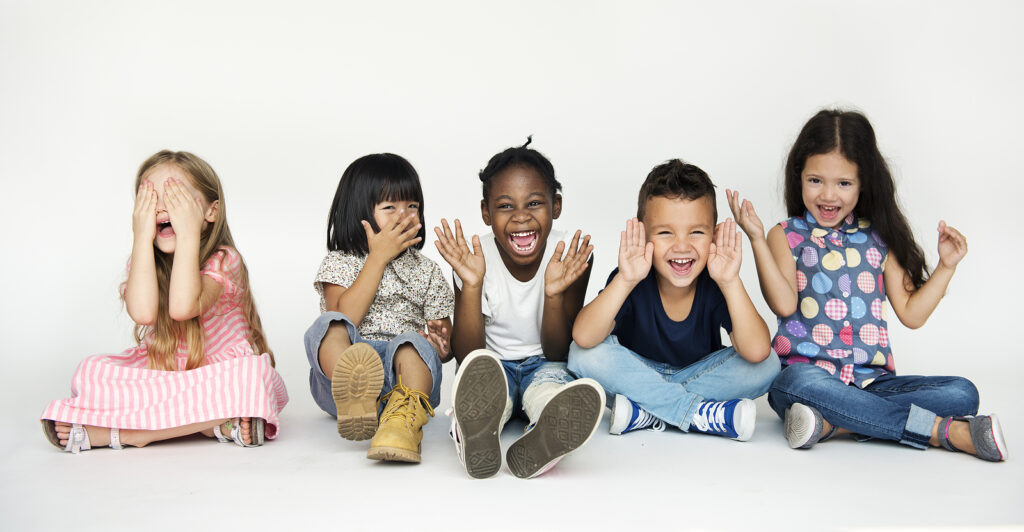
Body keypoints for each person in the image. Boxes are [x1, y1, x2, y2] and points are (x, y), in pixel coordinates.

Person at [727, 108, 1006, 461]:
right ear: (799, 177)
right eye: (816, 180)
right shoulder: (785, 236)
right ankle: (939, 431)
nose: (829, 195)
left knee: (962, 393)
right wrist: (755, 239)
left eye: (844, 183)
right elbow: (783, 304)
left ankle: (834, 425)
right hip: (804, 379)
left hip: (872, 382)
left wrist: (946, 266)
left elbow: (912, 313)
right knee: (800, 385)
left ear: (864, 183)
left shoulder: (877, 238)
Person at [41, 150, 288, 452]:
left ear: (211, 212)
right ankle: (215, 423)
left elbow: (183, 307)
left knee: (253, 376)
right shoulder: (144, 264)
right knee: (89, 370)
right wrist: (140, 237)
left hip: (217, 378)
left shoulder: (224, 259)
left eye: (175, 197)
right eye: (149, 198)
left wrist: (187, 234)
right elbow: (143, 314)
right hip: (163, 376)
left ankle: (127, 433)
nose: (159, 208)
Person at [569, 159, 778, 441]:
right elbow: (583, 337)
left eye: (696, 232)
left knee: (769, 363)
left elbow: (756, 351)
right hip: (637, 371)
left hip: (687, 377)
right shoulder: (632, 277)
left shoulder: (715, 282)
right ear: (643, 236)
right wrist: (626, 280)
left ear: (714, 235)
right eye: (666, 232)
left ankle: (646, 411)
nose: (682, 246)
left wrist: (730, 282)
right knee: (582, 354)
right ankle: (697, 413)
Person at [435, 137, 604, 479]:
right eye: (506, 206)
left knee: (550, 389)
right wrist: (471, 285)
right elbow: (467, 354)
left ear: (556, 206)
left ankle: (544, 433)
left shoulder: (569, 255)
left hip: (545, 363)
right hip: (490, 368)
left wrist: (553, 293)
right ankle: (473, 433)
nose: (522, 217)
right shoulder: (473, 259)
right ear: (486, 212)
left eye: (535, 203)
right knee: (484, 394)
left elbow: (558, 351)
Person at [303, 153, 453, 463]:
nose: (405, 215)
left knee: (412, 344)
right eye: (390, 208)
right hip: (343, 378)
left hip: (403, 378)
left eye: (412, 206)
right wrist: (377, 258)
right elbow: (345, 318)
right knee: (328, 326)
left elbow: (443, 341)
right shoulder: (340, 262)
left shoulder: (426, 271)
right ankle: (356, 398)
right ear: (358, 213)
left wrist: (441, 343)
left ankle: (401, 426)